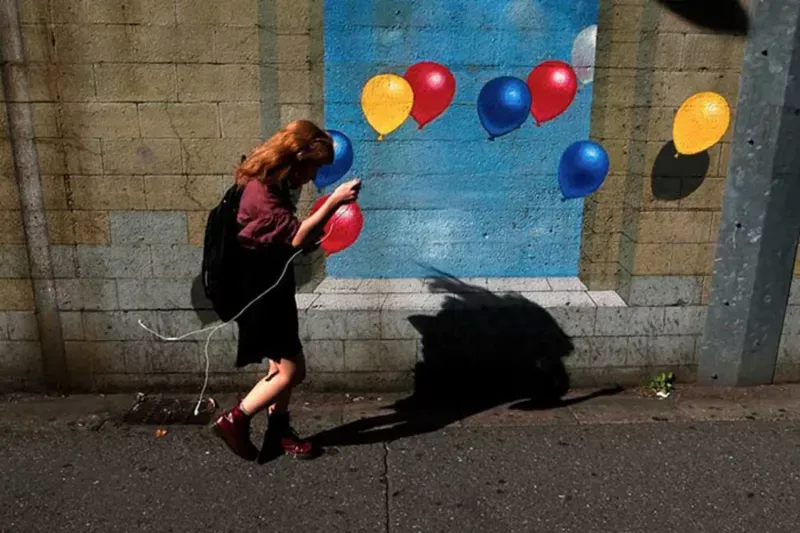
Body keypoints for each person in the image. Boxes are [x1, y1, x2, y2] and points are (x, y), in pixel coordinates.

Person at [212, 120, 361, 461]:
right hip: (261, 289)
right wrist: (335, 201)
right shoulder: (263, 193)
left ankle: (279, 431)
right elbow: (295, 237)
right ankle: (235, 419)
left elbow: (284, 238)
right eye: (313, 168)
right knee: (294, 371)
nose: (312, 177)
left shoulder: (267, 180)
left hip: (269, 284)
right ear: (298, 160)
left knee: (278, 368)